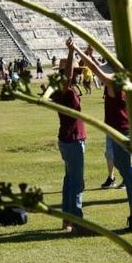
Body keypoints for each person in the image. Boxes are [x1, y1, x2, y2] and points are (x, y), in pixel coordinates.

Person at [73, 44, 132, 231]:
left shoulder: (114, 83)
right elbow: (100, 68)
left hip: (120, 130)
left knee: (127, 174)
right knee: (122, 166)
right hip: (120, 129)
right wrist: (92, 54)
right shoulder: (123, 79)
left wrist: (78, 51)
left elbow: (97, 70)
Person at [53, 40, 88, 233]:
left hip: (69, 139)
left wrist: (83, 53)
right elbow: (67, 76)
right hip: (73, 140)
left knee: (69, 180)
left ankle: (67, 220)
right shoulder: (63, 88)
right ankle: (77, 221)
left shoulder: (64, 88)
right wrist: (71, 52)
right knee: (76, 182)